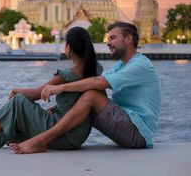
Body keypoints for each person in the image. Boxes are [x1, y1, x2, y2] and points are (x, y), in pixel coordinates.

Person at [10, 21, 161, 154]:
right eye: (108, 38)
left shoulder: (141, 65)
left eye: (112, 38)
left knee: (92, 95)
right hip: (127, 128)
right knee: (91, 91)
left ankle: (41, 141)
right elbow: (94, 83)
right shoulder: (121, 66)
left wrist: (61, 87)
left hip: (139, 134)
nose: (108, 42)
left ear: (128, 39)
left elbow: (98, 82)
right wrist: (57, 108)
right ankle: (25, 136)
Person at [0, 26, 103, 149]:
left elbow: (35, 94)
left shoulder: (66, 74)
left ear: (68, 48)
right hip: (76, 136)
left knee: (18, 101)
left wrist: (15, 90)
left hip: (61, 133)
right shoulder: (96, 70)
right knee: (12, 121)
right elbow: (74, 103)